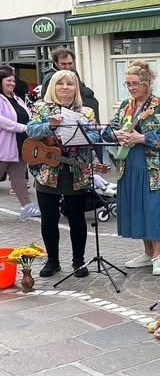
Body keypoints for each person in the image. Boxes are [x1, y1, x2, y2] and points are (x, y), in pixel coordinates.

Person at [101, 60, 160, 276]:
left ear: (147, 83)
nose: (131, 88)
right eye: (127, 84)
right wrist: (116, 135)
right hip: (129, 164)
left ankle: (157, 256)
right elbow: (109, 129)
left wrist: (142, 137)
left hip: (154, 167)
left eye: (134, 83)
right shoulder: (126, 106)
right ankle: (146, 253)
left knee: (153, 209)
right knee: (139, 209)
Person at [26, 70, 97, 278]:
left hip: (76, 171)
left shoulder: (86, 112)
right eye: (60, 84)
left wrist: (81, 132)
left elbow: (94, 135)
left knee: (76, 218)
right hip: (47, 171)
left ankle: (79, 261)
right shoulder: (41, 108)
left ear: (76, 88)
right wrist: (49, 125)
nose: (65, 87)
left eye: (70, 84)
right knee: (49, 218)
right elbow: (31, 130)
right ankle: (52, 261)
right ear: (52, 87)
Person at [0, 67, 40, 219]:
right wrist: (25, 128)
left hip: (20, 145)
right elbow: (3, 122)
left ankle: (27, 206)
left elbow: (27, 116)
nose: (12, 83)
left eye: (13, 81)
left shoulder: (17, 98)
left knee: (19, 178)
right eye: (8, 80)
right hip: (3, 146)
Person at [40, 47, 100, 123]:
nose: (67, 66)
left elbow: (81, 90)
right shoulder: (50, 77)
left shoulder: (73, 72)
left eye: (70, 63)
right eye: (63, 64)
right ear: (56, 63)